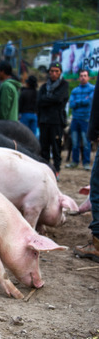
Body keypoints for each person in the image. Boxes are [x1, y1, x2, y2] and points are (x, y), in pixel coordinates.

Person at [74, 74, 99, 262]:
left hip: (87, 123)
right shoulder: (76, 91)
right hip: (77, 119)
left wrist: (93, 132)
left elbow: (95, 104)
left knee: (97, 186)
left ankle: (97, 243)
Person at [37, 61, 69, 179]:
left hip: (56, 122)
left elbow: (59, 99)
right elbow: (39, 101)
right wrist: (51, 100)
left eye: (56, 71)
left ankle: (56, 170)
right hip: (44, 121)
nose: (54, 74)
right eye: (52, 71)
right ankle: (45, 170)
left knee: (56, 147)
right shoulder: (44, 87)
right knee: (44, 147)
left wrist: (48, 100)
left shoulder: (63, 85)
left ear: (60, 72)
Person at [66, 70, 94, 171]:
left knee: (86, 142)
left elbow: (89, 101)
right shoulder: (75, 90)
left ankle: (86, 163)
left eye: (85, 76)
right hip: (75, 119)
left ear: (88, 77)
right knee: (74, 141)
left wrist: (78, 102)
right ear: (79, 77)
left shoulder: (92, 89)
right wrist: (81, 101)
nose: (83, 77)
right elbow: (71, 104)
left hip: (86, 119)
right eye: (81, 76)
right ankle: (75, 161)